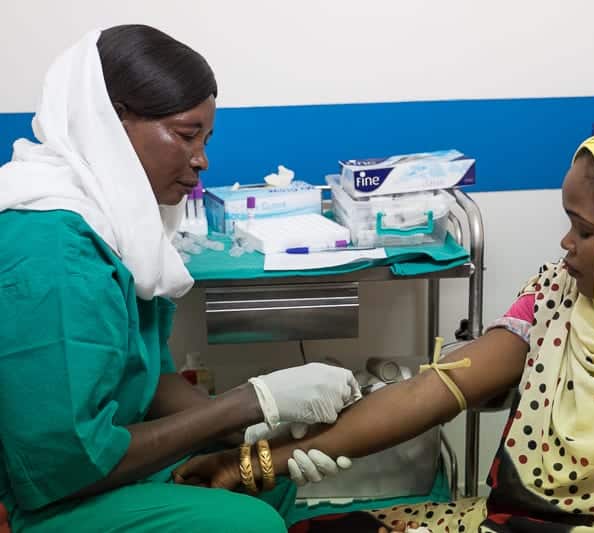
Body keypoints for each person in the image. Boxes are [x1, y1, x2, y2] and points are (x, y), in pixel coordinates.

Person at [176, 115, 594, 532]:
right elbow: (438, 388)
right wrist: (255, 461)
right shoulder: (558, 295)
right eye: (567, 222)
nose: (564, 244)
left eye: (584, 230)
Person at [0, 25, 358, 533]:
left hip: (94, 458)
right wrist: (254, 399)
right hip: (39, 493)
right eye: (186, 135)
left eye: (205, 140)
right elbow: (66, 461)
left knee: (263, 476)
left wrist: (254, 431)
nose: (201, 160)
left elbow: (151, 380)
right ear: (111, 121)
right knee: (248, 525)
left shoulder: (115, 225)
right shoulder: (53, 246)